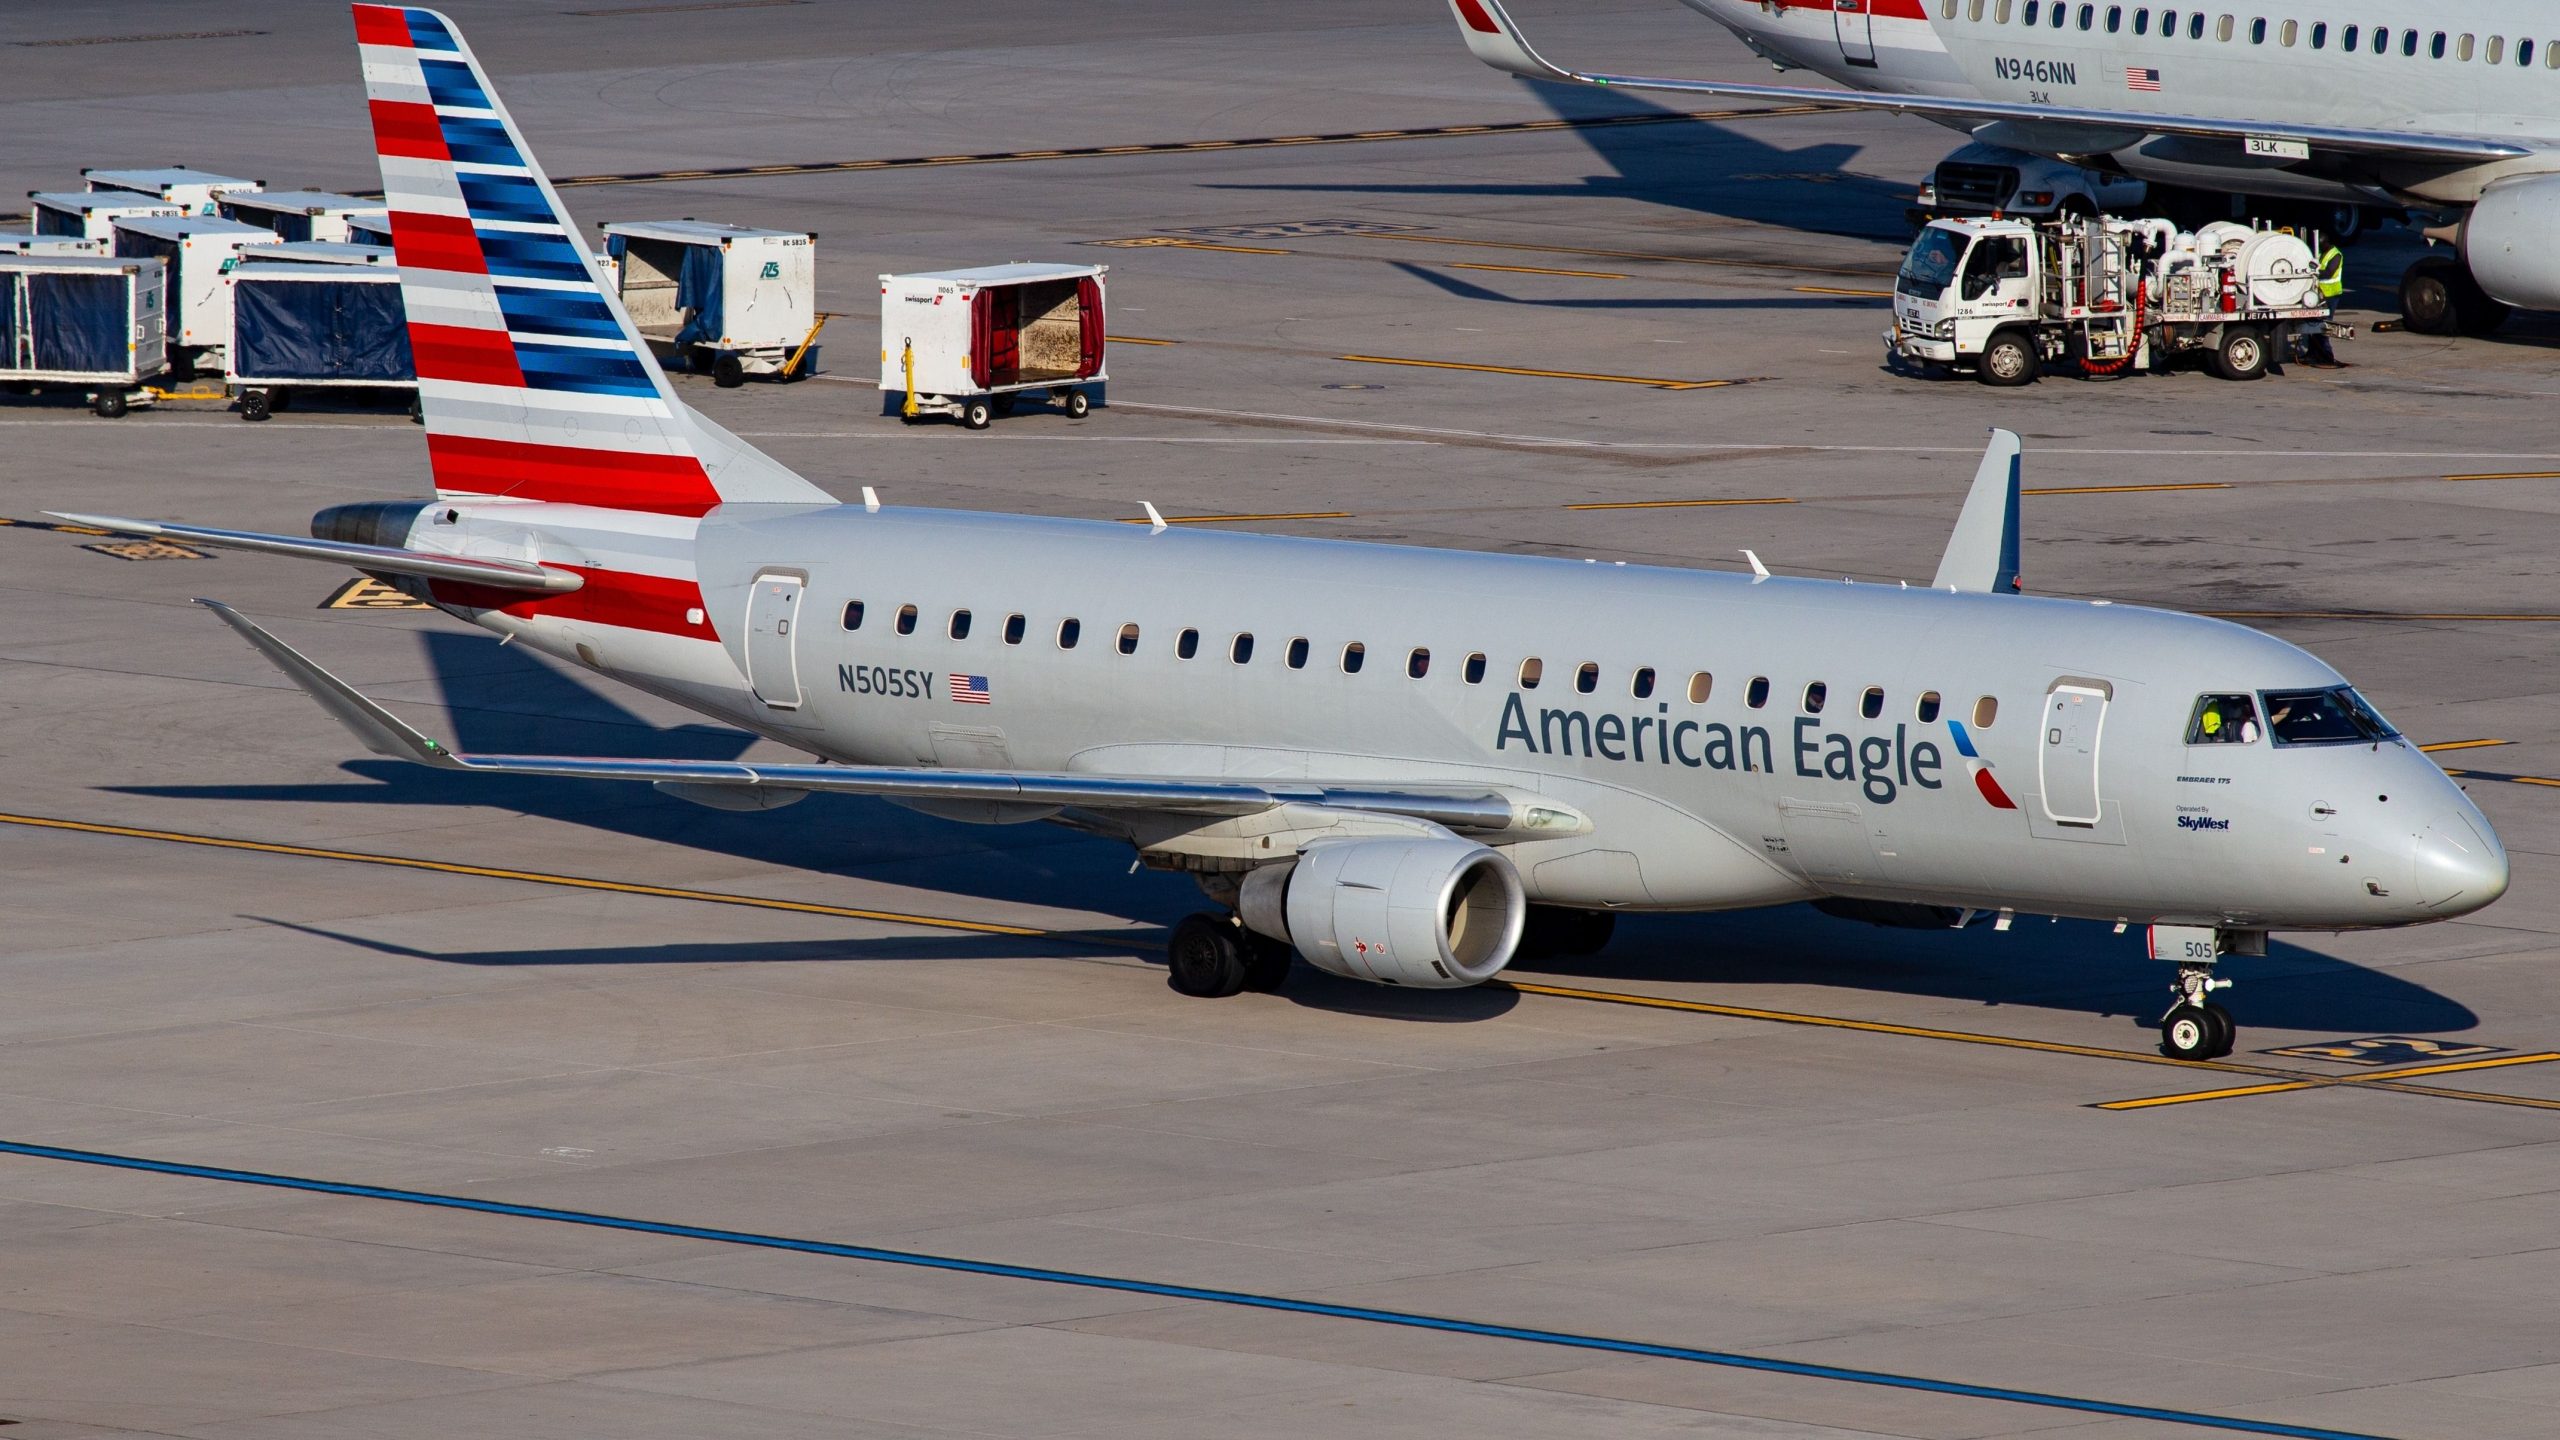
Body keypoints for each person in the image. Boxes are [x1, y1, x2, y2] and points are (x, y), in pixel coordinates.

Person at [2302, 241, 2347, 366]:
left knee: (2324, 325)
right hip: (2319, 295)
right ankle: (2312, 353)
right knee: (2312, 324)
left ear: (2326, 243)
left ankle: (2327, 356)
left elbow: (2329, 273)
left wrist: (2312, 272)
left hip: (2331, 295)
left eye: (2320, 245)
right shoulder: (2321, 252)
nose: (2318, 247)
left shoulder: (2335, 255)